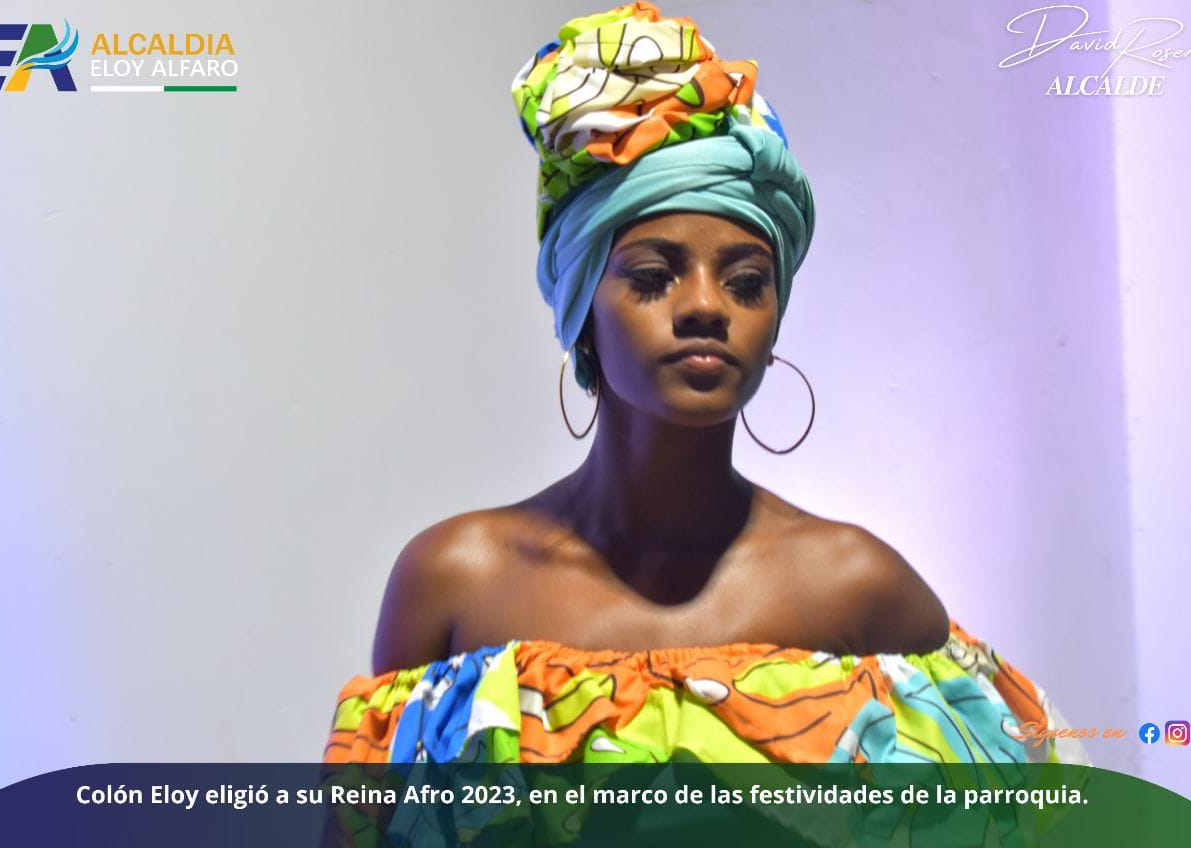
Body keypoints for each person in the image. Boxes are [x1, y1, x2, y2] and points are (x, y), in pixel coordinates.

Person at [325, 2, 1087, 770]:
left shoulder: (856, 590)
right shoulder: (456, 583)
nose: (704, 307)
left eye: (747, 283)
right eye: (654, 276)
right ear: (581, 308)